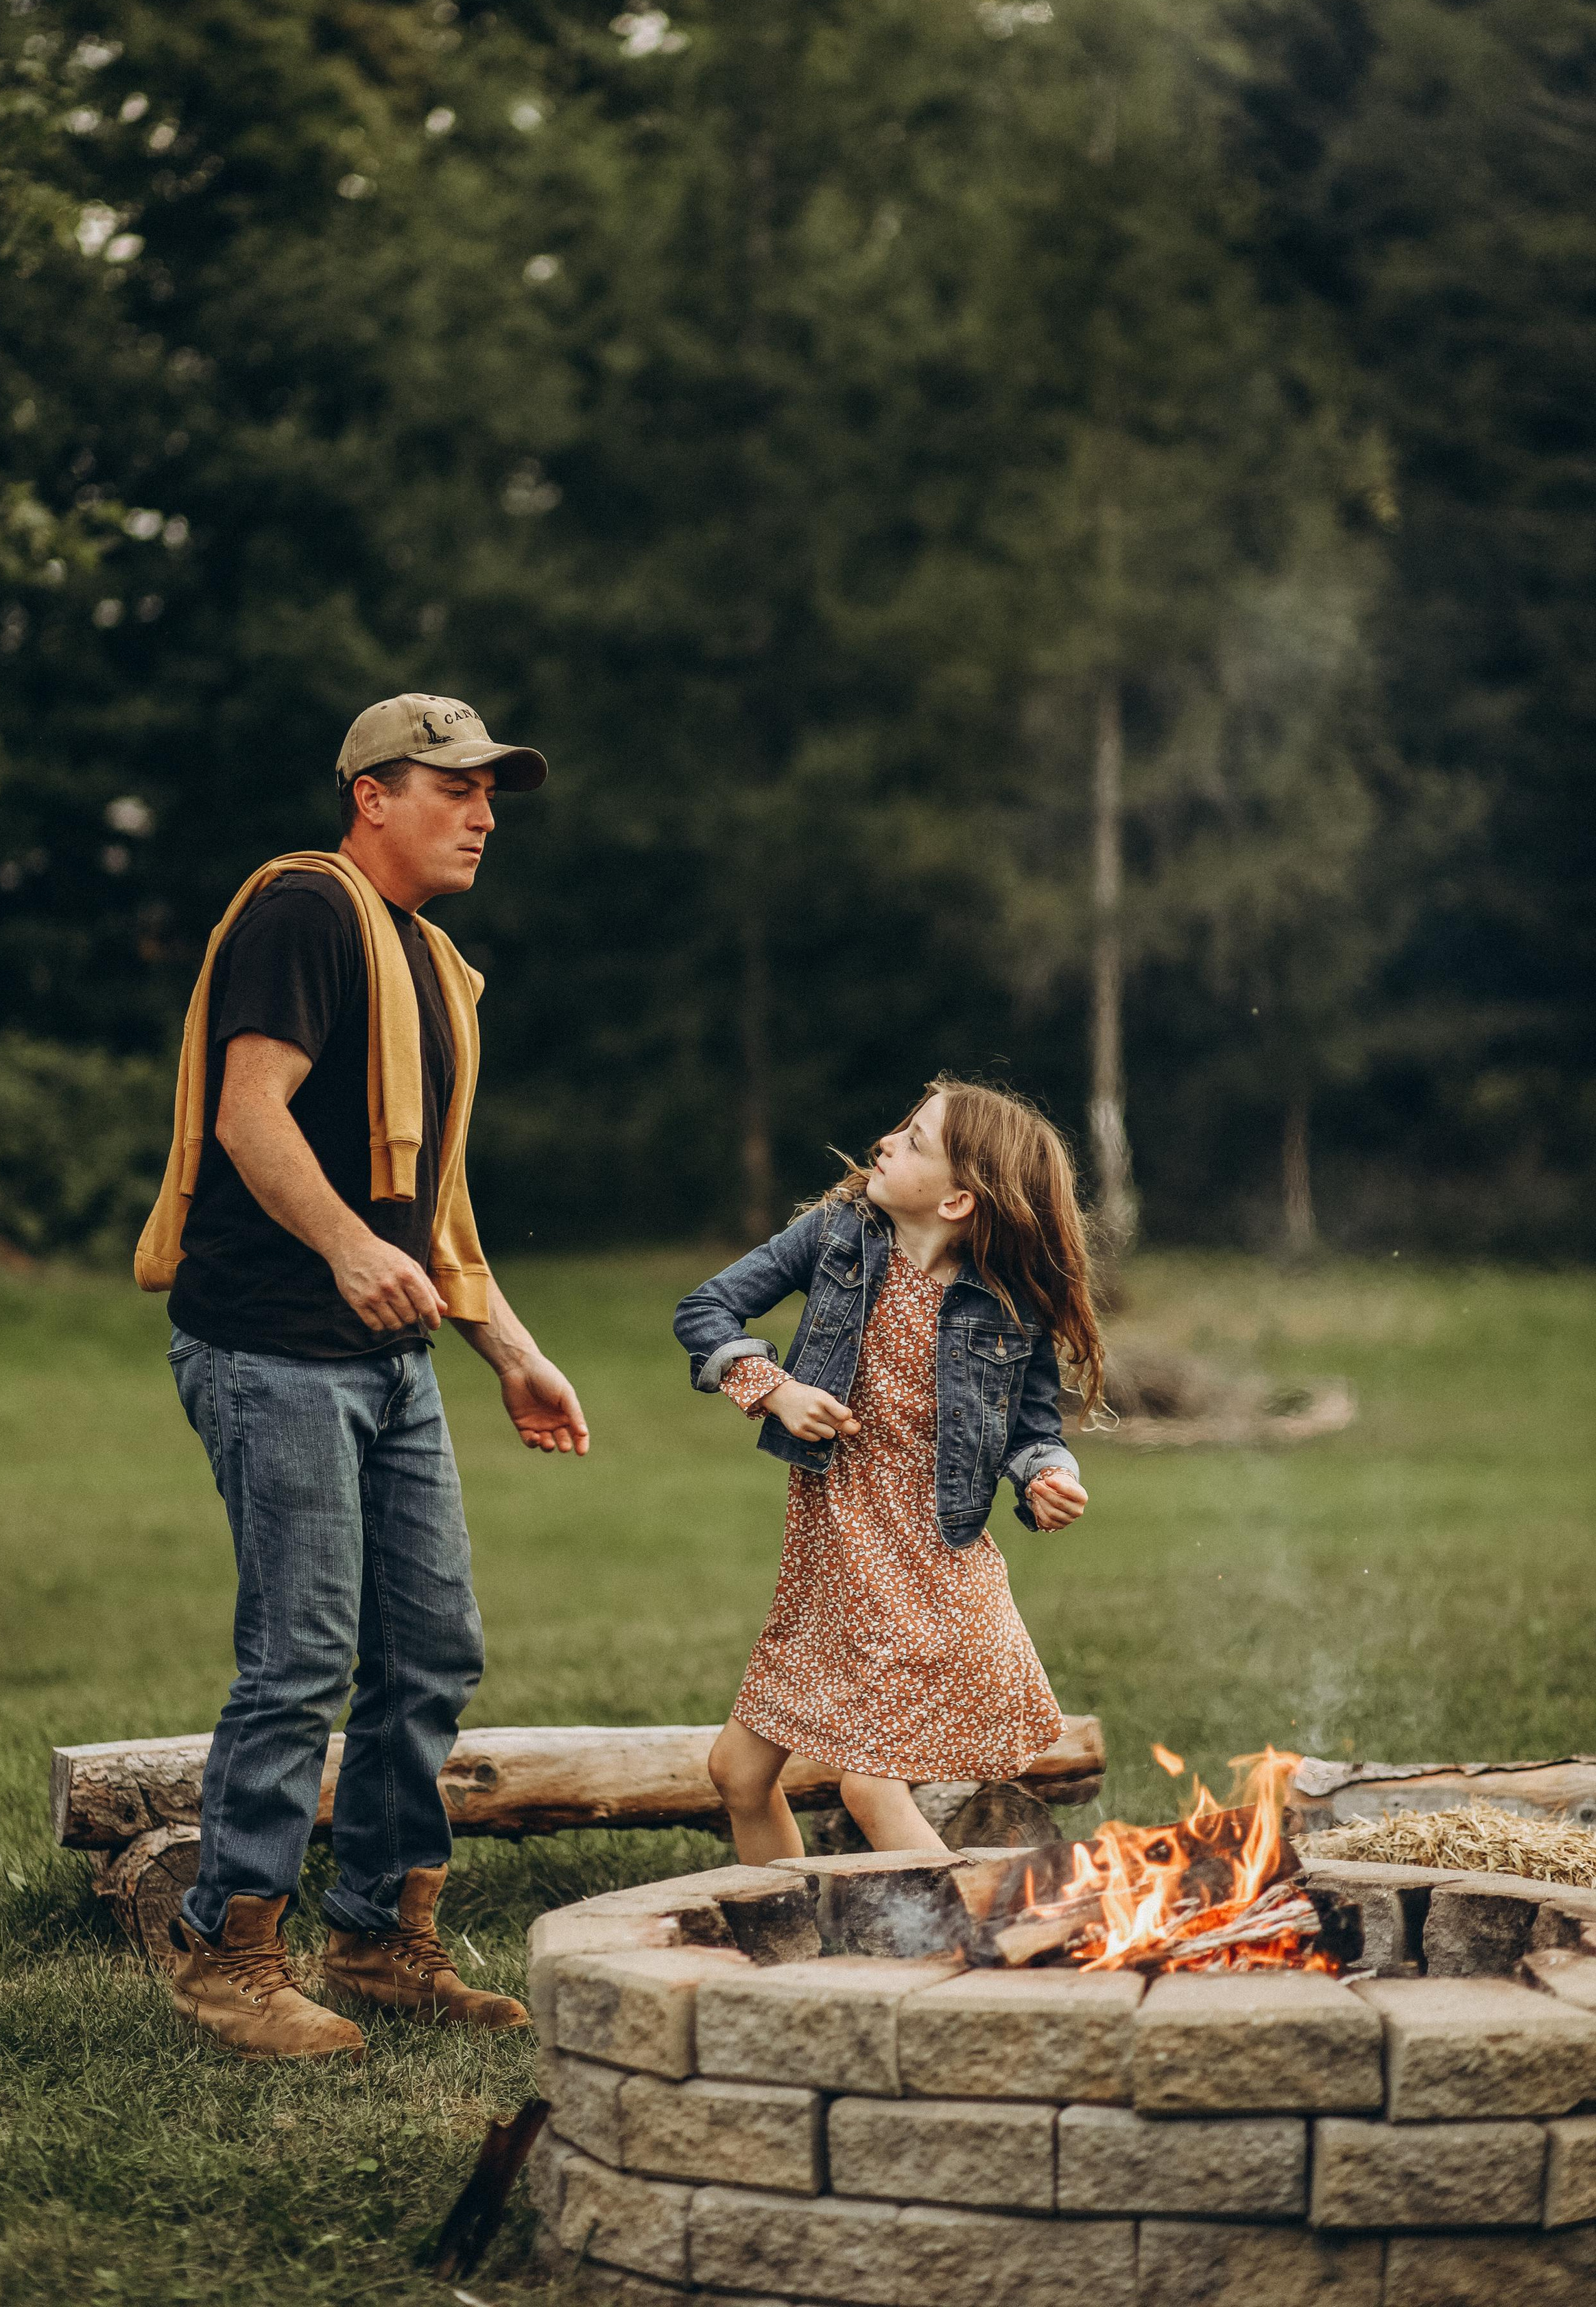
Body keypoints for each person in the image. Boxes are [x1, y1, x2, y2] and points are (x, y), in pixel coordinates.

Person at [135, 693, 588, 2059]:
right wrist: (339, 1248)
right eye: (453, 786)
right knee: (299, 1662)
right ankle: (227, 1950)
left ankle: (380, 1938)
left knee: (428, 1653)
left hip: (386, 1364)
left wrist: (508, 1347)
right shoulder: (303, 910)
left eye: (492, 790)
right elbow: (248, 1115)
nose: (484, 812)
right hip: (272, 1345)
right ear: (369, 796)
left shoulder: (423, 961)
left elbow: (427, 1215)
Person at [674, 1078, 1099, 1862]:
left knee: (869, 1787)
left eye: (913, 1142)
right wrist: (773, 1390)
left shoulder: (1010, 1305)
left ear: (957, 1201)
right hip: (829, 1560)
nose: (885, 1143)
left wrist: (1048, 1475)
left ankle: (960, 1963)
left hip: (928, 1567)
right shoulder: (836, 1236)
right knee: (736, 1773)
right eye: (899, 1128)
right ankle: (793, 1954)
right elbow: (705, 1312)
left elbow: (1033, 1429)